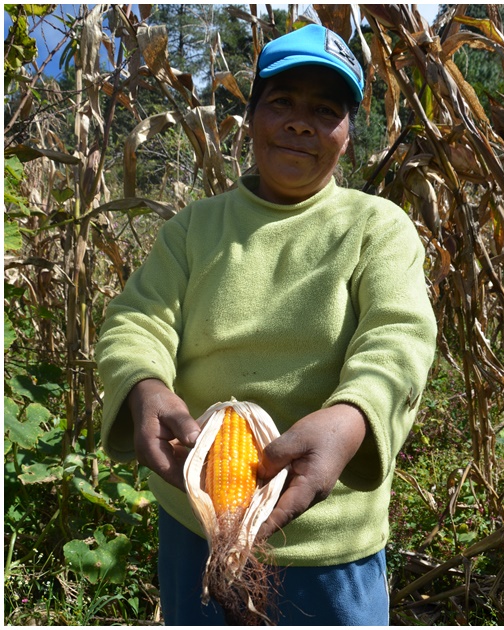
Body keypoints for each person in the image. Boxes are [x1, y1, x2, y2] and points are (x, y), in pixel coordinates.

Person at [96, 24, 437, 625]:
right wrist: (144, 385)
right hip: (196, 524)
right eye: (282, 102)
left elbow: (399, 336)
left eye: (325, 110)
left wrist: (354, 416)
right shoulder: (193, 231)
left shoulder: (375, 228)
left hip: (328, 547)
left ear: (348, 135)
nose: (301, 122)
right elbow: (137, 321)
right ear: (249, 117)